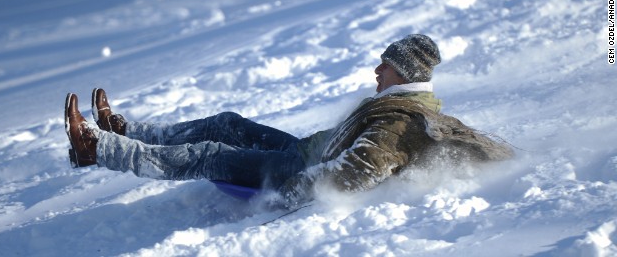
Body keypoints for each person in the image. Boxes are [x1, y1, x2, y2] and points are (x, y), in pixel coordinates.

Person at [64, 34, 513, 208]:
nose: (377, 71)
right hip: (302, 149)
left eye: (387, 67)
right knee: (228, 122)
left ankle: (99, 150)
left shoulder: (401, 120)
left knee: (210, 155)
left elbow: (358, 171)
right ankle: (128, 132)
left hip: (296, 170)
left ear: (407, 76)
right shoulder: (405, 101)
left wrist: (296, 193)